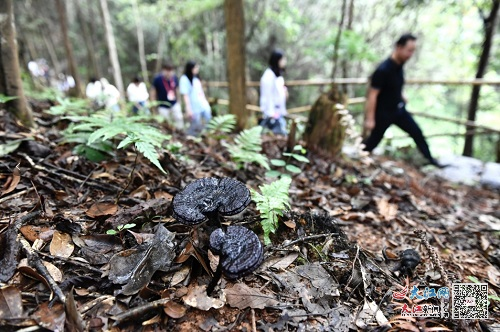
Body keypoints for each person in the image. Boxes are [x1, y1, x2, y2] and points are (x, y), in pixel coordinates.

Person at [362, 34, 443, 167]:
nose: (410, 54)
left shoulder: (399, 67)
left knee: (417, 132)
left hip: (398, 110)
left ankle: (431, 161)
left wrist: (401, 95)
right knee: (373, 141)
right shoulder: (383, 70)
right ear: (399, 47)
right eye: (409, 50)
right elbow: (372, 95)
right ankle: (358, 156)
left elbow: (393, 86)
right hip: (383, 114)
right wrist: (370, 119)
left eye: (413, 51)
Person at [259, 50, 288, 136]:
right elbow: (267, 96)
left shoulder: (277, 76)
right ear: (277, 60)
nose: (285, 61)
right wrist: (271, 113)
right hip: (272, 114)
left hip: (278, 113)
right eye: (283, 59)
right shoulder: (268, 76)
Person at [179, 61, 212, 136]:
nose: (197, 69)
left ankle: (208, 137)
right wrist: (188, 109)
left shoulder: (196, 78)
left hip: (202, 104)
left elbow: (200, 92)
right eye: (195, 67)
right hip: (194, 107)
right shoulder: (184, 79)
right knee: (195, 126)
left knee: (209, 121)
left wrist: (206, 103)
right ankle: (191, 140)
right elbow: (185, 95)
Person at [151, 64, 184, 129]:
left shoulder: (174, 78)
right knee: (165, 123)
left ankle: (180, 132)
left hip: (174, 104)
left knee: (179, 118)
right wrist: (154, 105)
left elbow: (177, 90)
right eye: (167, 70)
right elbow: (153, 92)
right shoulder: (157, 79)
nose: (169, 72)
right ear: (163, 70)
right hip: (162, 105)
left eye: (170, 70)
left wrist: (179, 102)